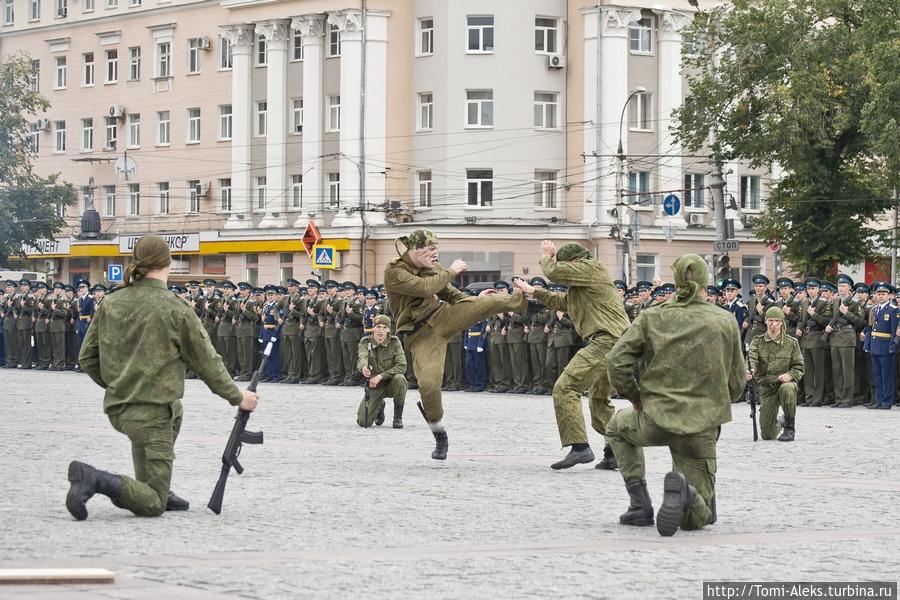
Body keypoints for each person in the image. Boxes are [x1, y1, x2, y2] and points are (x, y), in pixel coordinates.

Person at [69, 236, 259, 521]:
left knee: (170, 418)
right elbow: (207, 362)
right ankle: (95, 479)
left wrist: (120, 385)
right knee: (153, 503)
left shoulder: (111, 302)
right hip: (154, 413)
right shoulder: (175, 308)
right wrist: (239, 396)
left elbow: (87, 357)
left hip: (120, 408)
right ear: (168, 263)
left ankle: (154, 486)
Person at [605, 254, 744, 537]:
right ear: (707, 282)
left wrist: (635, 397)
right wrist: (715, 408)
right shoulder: (724, 320)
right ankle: (688, 492)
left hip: (654, 418)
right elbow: (737, 382)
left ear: (676, 280)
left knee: (616, 429)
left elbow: (615, 362)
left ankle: (639, 504)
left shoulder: (652, 316)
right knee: (696, 518)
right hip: (701, 426)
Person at [383, 228, 527, 460]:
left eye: (436, 249)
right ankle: (439, 433)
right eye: (430, 249)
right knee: (429, 386)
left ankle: (526, 300)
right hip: (420, 336)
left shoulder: (435, 267)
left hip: (442, 316)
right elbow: (426, 288)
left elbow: (451, 294)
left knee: (486, 303)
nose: (434, 253)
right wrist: (453, 270)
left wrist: (473, 301)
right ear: (416, 250)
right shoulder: (394, 272)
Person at [513, 241, 630, 471]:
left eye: (567, 266)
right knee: (598, 398)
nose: (567, 272)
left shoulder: (593, 267)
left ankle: (579, 447)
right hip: (618, 343)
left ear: (576, 262)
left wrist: (547, 256)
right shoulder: (583, 287)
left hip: (608, 341)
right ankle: (615, 451)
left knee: (565, 388)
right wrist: (533, 291)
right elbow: (563, 302)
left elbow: (554, 272)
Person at [748, 307, 805, 441]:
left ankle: (790, 428)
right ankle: (782, 421)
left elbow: (799, 367)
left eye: (777, 321)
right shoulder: (757, 341)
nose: (773, 324)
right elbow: (752, 358)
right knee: (767, 435)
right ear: (766, 321)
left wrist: (789, 376)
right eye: (770, 321)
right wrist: (750, 370)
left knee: (788, 388)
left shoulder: (791, 343)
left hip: (784, 384)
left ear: (782, 323)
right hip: (767, 387)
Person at [356, 315, 408, 428]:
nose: (381, 330)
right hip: (375, 386)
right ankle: (379, 407)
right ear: (373, 328)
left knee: (400, 378)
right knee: (363, 422)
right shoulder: (366, 342)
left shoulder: (395, 342)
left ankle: (397, 418)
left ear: (389, 329)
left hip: (392, 383)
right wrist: (364, 368)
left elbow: (402, 365)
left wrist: (380, 376)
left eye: (384, 327)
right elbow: (362, 357)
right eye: (378, 327)